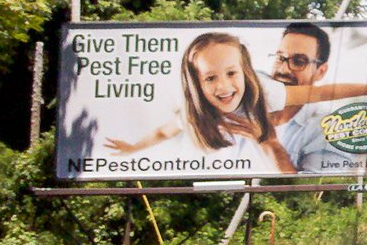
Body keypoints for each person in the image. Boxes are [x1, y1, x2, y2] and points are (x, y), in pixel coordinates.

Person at [105, 32, 298, 174]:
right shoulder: (196, 114)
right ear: (197, 85)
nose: (223, 86)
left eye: (231, 73)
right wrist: (133, 148)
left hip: (263, 181)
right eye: (210, 78)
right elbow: (163, 132)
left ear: (245, 73)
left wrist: (269, 143)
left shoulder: (264, 95)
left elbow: (314, 93)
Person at [263, 21, 367, 171]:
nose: (283, 70)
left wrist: (269, 142)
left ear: (320, 72)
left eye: (299, 62)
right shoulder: (257, 89)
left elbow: (323, 92)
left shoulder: (328, 130)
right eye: (280, 58)